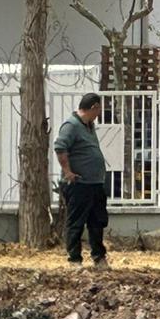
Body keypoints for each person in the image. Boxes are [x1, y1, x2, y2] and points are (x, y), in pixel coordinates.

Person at [55, 92, 110, 269]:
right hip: (79, 184)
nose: (100, 113)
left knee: (97, 221)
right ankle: (74, 259)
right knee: (76, 222)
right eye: (99, 109)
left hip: (94, 183)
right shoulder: (71, 125)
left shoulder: (88, 126)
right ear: (93, 107)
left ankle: (99, 257)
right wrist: (68, 172)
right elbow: (60, 147)